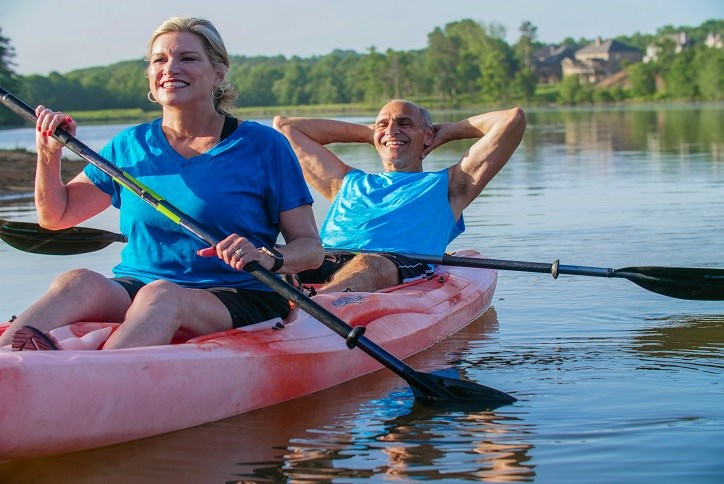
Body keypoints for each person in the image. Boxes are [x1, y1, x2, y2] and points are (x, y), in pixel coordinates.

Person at [0, 17, 324, 351]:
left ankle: (94, 380)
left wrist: (267, 256)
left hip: (237, 292)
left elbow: (311, 249)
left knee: (162, 296)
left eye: (187, 58)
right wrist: (48, 152)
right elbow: (56, 216)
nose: (170, 68)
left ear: (218, 73)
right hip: (137, 286)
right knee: (76, 282)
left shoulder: (264, 145)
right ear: (151, 78)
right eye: (159, 60)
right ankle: (7, 363)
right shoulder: (130, 145)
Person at [273, 100, 525, 293]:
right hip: (324, 257)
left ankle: (315, 307)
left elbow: (511, 120)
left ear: (426, 135)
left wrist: (444, 132)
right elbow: (285, 127)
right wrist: (374, 134)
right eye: (383, 124)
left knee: (371, 264)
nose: (392, 130)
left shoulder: (450, 185)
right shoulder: (343, 181)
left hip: (395, 265)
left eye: (404, 123)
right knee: (267, 253)